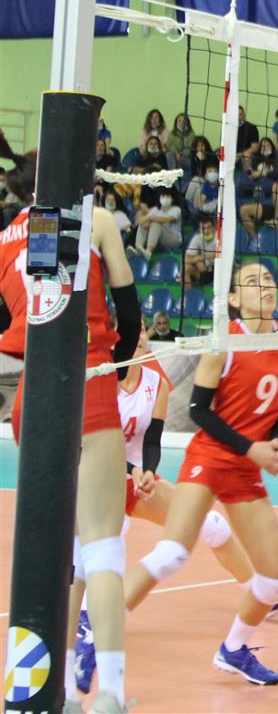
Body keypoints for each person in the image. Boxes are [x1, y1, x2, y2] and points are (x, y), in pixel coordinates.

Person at [72, 327, 278, 698]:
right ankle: (89, 630)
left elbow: (152, 440)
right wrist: (129, 471)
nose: (141, 339)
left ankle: (259, 595)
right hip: (96, 481)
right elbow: (82, 446)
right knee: (108, 551)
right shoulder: (96, 380)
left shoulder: (155, 382)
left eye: (143, 334)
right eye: (133, 334)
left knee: (212, 526)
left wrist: (146, 471)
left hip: (136, 482)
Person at [0, 152, 140, 713]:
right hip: (88, 379)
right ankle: (111, 694)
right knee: (102, 544)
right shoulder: (95, 219)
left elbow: (18, 325)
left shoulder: (6, 237)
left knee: (53, 550)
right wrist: (119, 370)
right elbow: (129, 314)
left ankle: (46, 688)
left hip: (32, 393)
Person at [121, 261, 278, 686]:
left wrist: (272, 443)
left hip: (246, 467)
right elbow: (199, 410)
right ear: (234, 299)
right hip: (210, 457)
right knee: (172, 553)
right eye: (252, 282)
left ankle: (234, 650)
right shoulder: (224, 342)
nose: (265, 286)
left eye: (269, 279)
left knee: (275, 581)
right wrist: (251, 447)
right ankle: (97, 630)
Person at [130, 188, 182, 262]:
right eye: (162, 196)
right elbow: (141, 221)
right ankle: (138, 248)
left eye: (167, 196)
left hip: (174, 239)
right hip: (160, 238)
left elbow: (167, 219)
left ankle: (148, 251)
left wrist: (150, 218)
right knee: (143, 225)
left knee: (155, 223)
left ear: (173, 198)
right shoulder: (156, 209)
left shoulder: (177, 209)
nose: (164, 198)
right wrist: (143, 221)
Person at [183, 216, 218, 289]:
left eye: (209, 228)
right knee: (184, 269)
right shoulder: (197, 238)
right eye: (203, 228)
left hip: (219, 270)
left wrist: (201, 258)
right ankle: (188, 295)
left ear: (214, 228)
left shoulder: (219, 236)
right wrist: (197, 260)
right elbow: (186, 258)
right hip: (206, 270)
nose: (206, 231)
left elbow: (219, 254)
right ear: (199, 229)